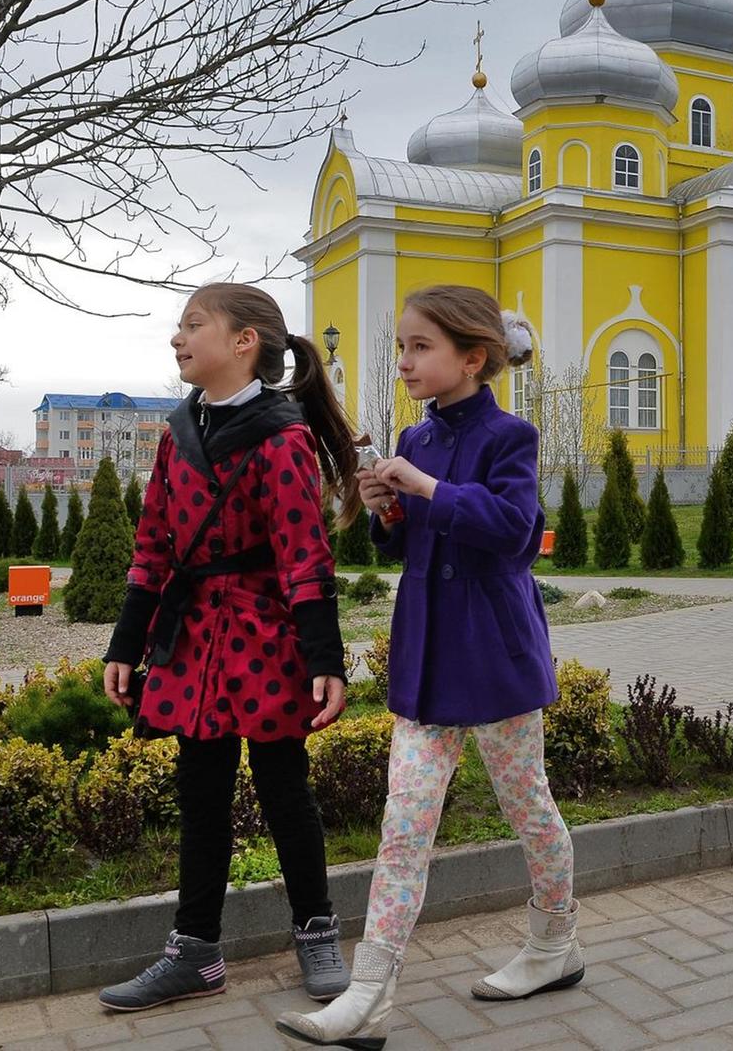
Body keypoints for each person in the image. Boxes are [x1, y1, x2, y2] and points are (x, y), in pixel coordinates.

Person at [277, 286, 578, 1049]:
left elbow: (513, 534)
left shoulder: (512, 435)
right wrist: (386, 508)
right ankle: (370, 997)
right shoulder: (411, 441)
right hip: (428, 661)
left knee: (529, 808)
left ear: (472, 358)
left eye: (420, 347)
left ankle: (553, 945)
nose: (405, 361)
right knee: (403, 827)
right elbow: (407, 548)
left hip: (497, 654)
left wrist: (429, 490)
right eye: (402, 347)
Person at [98, 282, 356, 1011]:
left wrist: (324, 661)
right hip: (190, 638)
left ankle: (317, 934)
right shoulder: (176, 432)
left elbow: (306, 558)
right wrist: (126, 644)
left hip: (264, 636)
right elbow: (151, 549)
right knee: (200, 795)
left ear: (244, 342)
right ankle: (196, 953)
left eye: (192, 325)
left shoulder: (282, 435)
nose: (177, 338)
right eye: (178, 327)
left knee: (286, 793)